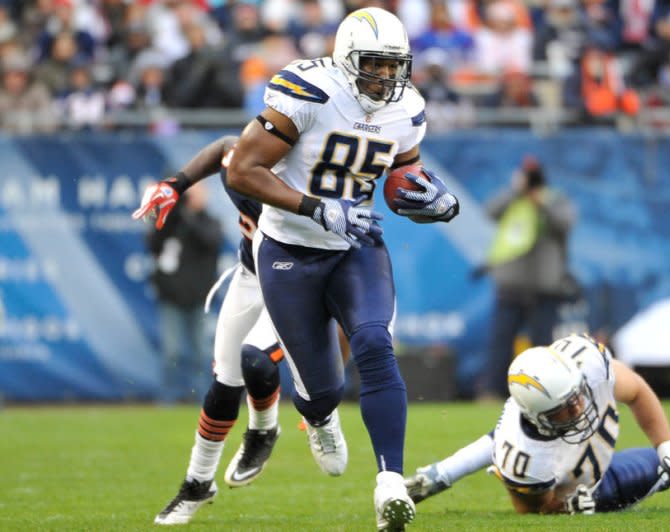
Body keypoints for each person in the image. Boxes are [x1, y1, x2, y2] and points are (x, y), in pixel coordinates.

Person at [226, 7, 459, 531]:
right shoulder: (307, 92)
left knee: (375, 343)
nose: (386, 77)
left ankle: (390, 483)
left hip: (357, 245)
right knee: (323, 391)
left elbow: (404, 175)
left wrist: (435, 199)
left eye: (394, 65)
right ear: (348, 58)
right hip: (291, 251)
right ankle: (318, 417)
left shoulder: (406, 108)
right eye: (375, 64)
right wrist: (314, 206)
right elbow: (244, 170)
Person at [404, 333, 670, 515]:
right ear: (536, 416)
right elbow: (529, 510)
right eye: (563, 411)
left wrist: (667, 446)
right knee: (637, 477)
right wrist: (564, 508)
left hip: (560, 446)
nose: (579, 409)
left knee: (664, 458)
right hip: (581, 480)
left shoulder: (585, 365)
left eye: (577, 397)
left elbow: (636, 391)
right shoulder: (525, 459)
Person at [134, 136, 287, 524]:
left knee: (272, 368)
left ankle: (280, 426)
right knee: (225, 381)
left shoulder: (314, 175)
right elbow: (225, 147)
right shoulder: (247, 160)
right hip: (252, 274)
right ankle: (197, 482)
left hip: (298, 280)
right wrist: (175, 185)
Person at [478, 155, 582, 399]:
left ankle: (546, 393)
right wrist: (515, 191)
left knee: (543, 346)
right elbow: (490, 211)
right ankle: (492, 392)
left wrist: (541, 202)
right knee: (501, 343)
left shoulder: (555, 200)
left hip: (545, 286)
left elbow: (565, 223)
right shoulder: (513, 199)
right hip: (510, 284)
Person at [145, 180, 223, 403]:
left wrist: (189, 215)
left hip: (200, 298)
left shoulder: (210, 221)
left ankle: (205, 399)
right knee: (172, 353)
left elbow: (209, 240)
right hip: (172, 297)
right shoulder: (172, 221)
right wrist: (169, 210)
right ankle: (168, 399)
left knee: (202, 352)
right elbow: (153, 242)